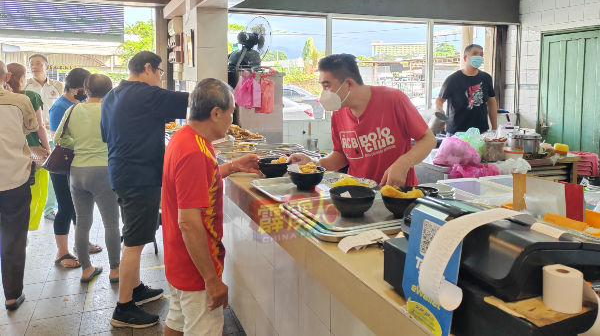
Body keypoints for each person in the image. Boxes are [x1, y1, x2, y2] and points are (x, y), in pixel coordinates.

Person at [162, 79, 261, 336]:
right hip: (195, 266)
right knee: (202, 329)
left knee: (177, 320)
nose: (232, 119)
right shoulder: (194, 152)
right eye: (231, 111)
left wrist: (232, 166)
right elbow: (189, 222)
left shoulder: (185, 137)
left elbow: (195, 184)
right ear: (215, 112)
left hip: (178, 257)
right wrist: (212, 280)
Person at [101, 51, 190, 329]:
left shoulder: (112, 96)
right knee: (135, 241)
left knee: (135, 233)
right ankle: (124, 308)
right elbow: (195, 102)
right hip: (139, 177)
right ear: (148, 68)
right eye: (161, 72)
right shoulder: (145, 94)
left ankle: (136, 287)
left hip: (120, 172)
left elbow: (106, 134)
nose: (161, 78)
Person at [289, 54, 436, 187]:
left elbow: (428, 139)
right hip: (358, 194)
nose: (323, 93)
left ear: (349, 84)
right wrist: (314, 163)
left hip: (397, 194)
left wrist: (404, 162)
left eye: (327, 86)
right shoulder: (339, 113)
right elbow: (341, 155)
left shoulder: (393, 99)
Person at [54, 74, 120, 283]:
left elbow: (58, 139)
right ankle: (116, 270)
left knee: (82, 222)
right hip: (103, 170)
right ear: (110, 91)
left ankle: (86, 269)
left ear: (86, 89)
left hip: (77, 172)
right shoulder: (111, 110)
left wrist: (79, 147)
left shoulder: (72, 109)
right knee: (111, 222)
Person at [49, 67, 102, 268]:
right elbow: (58, 138)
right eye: (84, 87)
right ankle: (62, 253)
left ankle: (82, 243)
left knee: (80, 208)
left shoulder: (79, 105)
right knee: (65, 208)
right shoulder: (61, 107)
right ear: (73, 88)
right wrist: (83, 143)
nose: (86, 91)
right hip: (62, 166)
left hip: (77, 165)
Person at [0, 60, 37, 310]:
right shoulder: (19, 101)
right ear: (7, 76)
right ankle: (12, 295)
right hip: (14, 178)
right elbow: (31, 127)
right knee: (13, 237)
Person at [7, 63, 52, 231]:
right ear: (21, 77)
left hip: (9, 152)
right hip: (32, 152)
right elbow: (40, 126)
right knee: (35, 192)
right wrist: (47, 148)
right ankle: (25, 228)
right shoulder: (30, 96)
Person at [24, 54, 62, 221]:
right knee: (33, 175)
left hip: (54, 137)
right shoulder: (25, 86)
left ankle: (50, 208)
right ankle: (30, 208)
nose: (34, 66)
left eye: (38, 63)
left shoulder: (58, 86)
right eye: (31, 64)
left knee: (54, 173)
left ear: (47, 66)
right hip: (33, 138)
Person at [435, 44, 497, 135]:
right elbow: (440, 99)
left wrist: (494, 128)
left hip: (480, 131)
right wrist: (439, 109)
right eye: (475, 53)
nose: (479, 57)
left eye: (481, 54)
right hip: (456, 131)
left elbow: (491, 103)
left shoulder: (486, 78)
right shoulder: (453, 79)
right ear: (465, 58)